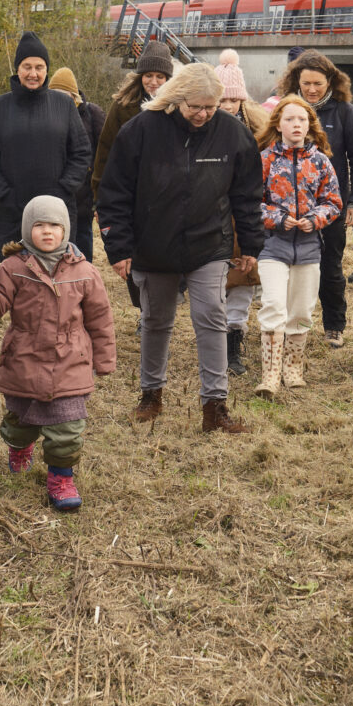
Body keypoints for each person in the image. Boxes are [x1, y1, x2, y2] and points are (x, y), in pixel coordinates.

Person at [96, 63, 266, 436]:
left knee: (212, 318)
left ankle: (215, 406)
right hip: (153, 246)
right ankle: (151, 394)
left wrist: (251, 242)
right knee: (156, 321)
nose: (203, 114)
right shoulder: (140, 131)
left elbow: (248, 195)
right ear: (175, 100)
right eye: (195, 107)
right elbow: (114, 193)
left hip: (209, 245)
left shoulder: (233, 134)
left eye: (211, 106)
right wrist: (119, 247)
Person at [0, 195, 116, 513]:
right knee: (20, 421)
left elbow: (100, 319)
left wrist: (103, 360)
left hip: (70, 363)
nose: (48, 232)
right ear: (26, 230)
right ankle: (20, 448)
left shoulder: (85, 271)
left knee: (69, 428)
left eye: (54, 225)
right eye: (39, 225)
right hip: (24, 361)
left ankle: (61, 477)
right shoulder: (13, 268)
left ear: (66, 230)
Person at [274, 51, 353, 351]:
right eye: (306, 83)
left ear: (330, 80)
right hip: (289, 206)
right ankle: (290, 325)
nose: (312, 89)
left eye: (318, 83)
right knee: (289, 269)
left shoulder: (344, 112)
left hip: (330, 206)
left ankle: (334, 325)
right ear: (296, 81)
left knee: (330, 268)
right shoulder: (285, 109)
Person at [254, 94, 344, 396]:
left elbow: (333, 202)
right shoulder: (266, 159)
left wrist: (315, 218)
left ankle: (293, 369)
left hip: (308, 248)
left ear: (309, 125)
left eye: (302, 119)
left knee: (302, 310)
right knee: (274, 305)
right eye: (290, 119)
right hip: (272, 247)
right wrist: (277, 218)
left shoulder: (320, 162)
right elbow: (252, 201)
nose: (296, 124)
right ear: (278, 124)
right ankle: (269, 375)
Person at [0, 31, 91, 262]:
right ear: (17, 69)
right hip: (12, 211)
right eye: (27, 66)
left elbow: (81, 152)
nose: (33, 73)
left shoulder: (64, 106)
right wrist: (3, 193)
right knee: (16, 279)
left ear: (47, 69)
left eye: (39, 67)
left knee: (58, 277)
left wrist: (64, 189)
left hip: (58, 210)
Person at [92, 44, 177, 305]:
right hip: (130, 189)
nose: (153, 82)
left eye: (159, 77)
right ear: (140, 76)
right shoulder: (123, 106)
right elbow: (104, 151)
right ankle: (143, 308)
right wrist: (99, 196)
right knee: (132, 249)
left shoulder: (178, 107)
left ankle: (162, 303)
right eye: (148, 76)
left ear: (168, 79)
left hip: (167, 191)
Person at [216, 51, 271, 375]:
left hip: (242, 216)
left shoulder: (258, 131)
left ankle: (232, 345)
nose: (227, 106)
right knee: (213, 284)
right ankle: (216, 340)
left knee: (241, 280)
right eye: (221, 99)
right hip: (209, 217)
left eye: (233, 100)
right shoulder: (197, 128)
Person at [50, 67, 104, 260]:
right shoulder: (46, 116)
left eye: (65, 95)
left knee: (81, 248)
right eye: (54, 94)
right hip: (54, 195)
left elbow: (103, 156)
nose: (60, 100)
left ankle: (84, 283)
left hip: (83, 197)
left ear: (74, 95)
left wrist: (99, 196)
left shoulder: (92, 114)